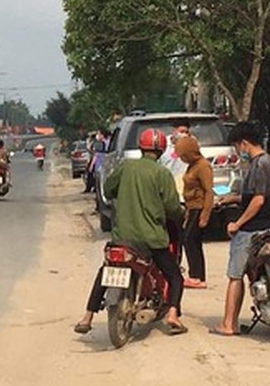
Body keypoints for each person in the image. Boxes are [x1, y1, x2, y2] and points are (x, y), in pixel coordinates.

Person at [73, 128, 187, 335]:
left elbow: (107, 190)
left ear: (141, 148)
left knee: (105, 271)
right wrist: (181, 213)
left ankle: (87, 316)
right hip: (152, 239)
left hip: (122, 237)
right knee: (175, 275)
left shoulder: (125, 168)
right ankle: (172, 315)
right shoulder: (162, 173)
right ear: (161, 150)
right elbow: (172, 207)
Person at [212, 121, 270, 336]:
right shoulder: (268, 162)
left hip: (252, 229)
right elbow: (256, 196)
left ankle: (229, 324)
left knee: (235, 275)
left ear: (244, 144)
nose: (239, 152)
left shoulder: (258, 165)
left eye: (237, 147)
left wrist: (237, 224)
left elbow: (258, 201)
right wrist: (231, 198)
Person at [175, 134, 214, 289]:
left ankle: (197, 276)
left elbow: (209, 191)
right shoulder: (192, 165)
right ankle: (196, 275)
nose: (181, 158)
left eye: (182, 155)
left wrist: (205, 215)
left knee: (190, 240)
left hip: (199, 207)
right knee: (190, 241)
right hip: (191, 208)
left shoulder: (203, 166)